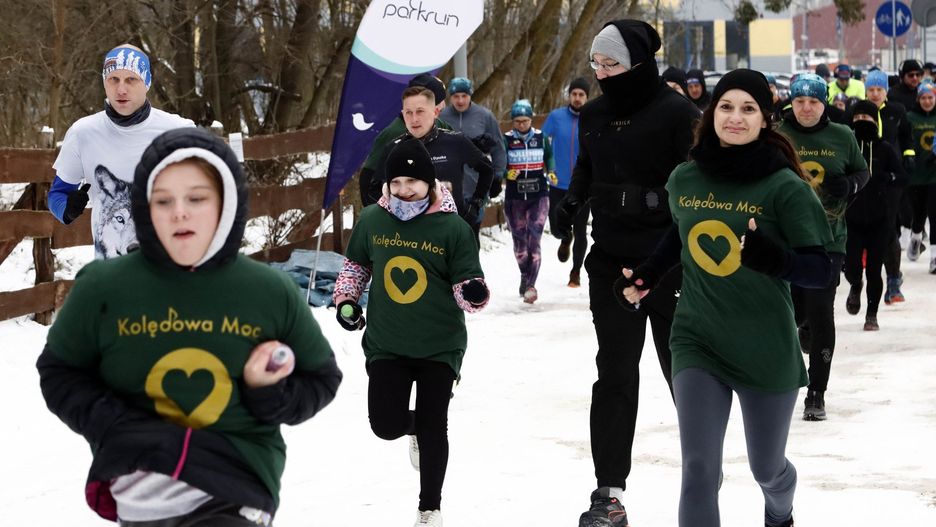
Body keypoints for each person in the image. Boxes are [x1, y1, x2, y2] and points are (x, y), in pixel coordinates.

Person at [37, 127, 342, 526]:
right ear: (145, 210)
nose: (179, 211)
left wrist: (269, 395)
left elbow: (321, 377)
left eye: (196, 198)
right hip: (140, 487)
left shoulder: (268, 291)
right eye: (163, 200)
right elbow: (59, 372)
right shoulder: (103, 287)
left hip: (234, 481)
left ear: (226, 203)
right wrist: (112, 422)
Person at [617, 68, 832, 527]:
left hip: (765, 346)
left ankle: (780, 512)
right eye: (727, 107)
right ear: (712, 112)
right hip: (698, 338)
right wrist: (649, 274)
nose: (735, 118)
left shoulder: (784, 188)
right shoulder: (686, 179)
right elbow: (680, 233)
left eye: (749, 109)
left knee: (767, 469)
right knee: (698, 469)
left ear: (766, 119)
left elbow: (824, 270)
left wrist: (776, 259)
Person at [551, 20, 699, 527]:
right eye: (596, 65)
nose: (602, 73)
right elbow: (588, 169)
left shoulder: (679, 114)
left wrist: (654, 206)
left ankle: (703, 470)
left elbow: (698, 183)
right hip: (611, 264)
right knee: (614, 373)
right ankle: (607, 492)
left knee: (685, 373)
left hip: (670, 262)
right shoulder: (592, 115)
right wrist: (571, 202)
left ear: (638, 63)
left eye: (611, 64)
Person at [333, 137, 489, 527]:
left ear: (429, 183)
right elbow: (356, 267)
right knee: (384, 425)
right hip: (388, 342)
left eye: (412, 183)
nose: (404, 191)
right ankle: (414, 426)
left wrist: (472, 292)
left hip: (439, 344)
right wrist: (347, 301)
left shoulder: (453, 228)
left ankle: (429, 509)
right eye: (396, 182)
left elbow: (467, 284)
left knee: (437, 422)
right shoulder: (372, 220)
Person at [778, 73, 869, 421]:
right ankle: (802, 335)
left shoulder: (842, 136)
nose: (805, 108)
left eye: (813, 101)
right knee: (794, 314)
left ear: (824, 102)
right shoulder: (778, 135)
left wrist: (849, 185)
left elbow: (863, 173)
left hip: (830, 239)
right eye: (799, 101)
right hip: (785, 240)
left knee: (821, 314)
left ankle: (816, 393)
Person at [48, 44, 194, 259]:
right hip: (110, 272)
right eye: (113, 79)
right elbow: (57, 195)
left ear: (147, 83)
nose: (121, 89)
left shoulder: (179, 131)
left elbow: (209, 196)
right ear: (105, 84)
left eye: (131, 80)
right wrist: (67, 209)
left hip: (168, 268)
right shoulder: (83, 132)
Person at [371, 86, 494, 238]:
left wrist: (475, 205)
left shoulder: (455, 141)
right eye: (408, 112)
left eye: (420, 111)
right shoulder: (393, 147)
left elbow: (487, 170)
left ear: (435, 112)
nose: (414, 119)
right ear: (403, 115)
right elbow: (375, 189)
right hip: (411, 236)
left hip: (453, 232)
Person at [844, 100, 907, 330]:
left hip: (880, 220)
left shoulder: (885, 148)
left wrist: (887, 178)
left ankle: (872, 314)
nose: (862, 122)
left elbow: (902, 177)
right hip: (851, 219)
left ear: (875, 121)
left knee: (874, 269)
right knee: (851, 267)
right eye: (857, 118)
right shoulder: (846, 147)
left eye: (866, 118)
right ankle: (855, 285)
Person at [359, 74, 452, 206]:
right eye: (439, 102)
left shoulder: (438, 124)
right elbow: (368, 180)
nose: (443, 106)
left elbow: (458, 143)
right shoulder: (395, 133)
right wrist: (382, 213)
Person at [866, 69, 915, 303]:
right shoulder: (860, 112)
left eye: (879, 89)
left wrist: (908, 155)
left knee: (887, 227)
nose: (875, 94)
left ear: (886, 90)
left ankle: (893, 280)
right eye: (871, 90)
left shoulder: (897, 111)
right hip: (865, 176)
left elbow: (907, 136)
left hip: (891, 177)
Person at [503, 99, 555, 303]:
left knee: (534, 238)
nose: (521, 125)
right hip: (515, 196)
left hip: (539, 195)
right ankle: (524, 276)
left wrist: (551, 172)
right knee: (520, 245)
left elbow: (549, 156)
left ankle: (532, 285)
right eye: (517, 121)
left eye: (525, 121)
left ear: (531, 120)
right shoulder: (506, 139)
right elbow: (500, 164)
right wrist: (507, 173)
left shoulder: (540, 137)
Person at [439, 76, 508, 229]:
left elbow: (498, 147)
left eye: (464, 96)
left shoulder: (485, 116)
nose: (460, 101)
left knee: (472, 231)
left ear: (470, 95)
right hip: (447, 185)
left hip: (476, 185)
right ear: (450, 97)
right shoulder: (441, 117)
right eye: (456, 96)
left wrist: (497, 176)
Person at [542, 77, 591, 287]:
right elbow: (541, 141)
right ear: (569, 95)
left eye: (581, 95)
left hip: (583, 185)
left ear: (587, 97)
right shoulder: (556, 117)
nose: (577, 98)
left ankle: (576, 272)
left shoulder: (592, 118)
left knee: (581, 230)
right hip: (558, 182)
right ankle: (564, 237)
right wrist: (545, 165)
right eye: (574, 94)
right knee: (555, 227)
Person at [906, 81, 936, 272]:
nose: (927, 101)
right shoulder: (910, 117)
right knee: (918, 215)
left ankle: (934, 257)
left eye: (930, 97)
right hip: (916, 175)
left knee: (935, 215)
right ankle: (916, 237)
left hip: (935, 174)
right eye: (923, 98)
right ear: (918, 99)